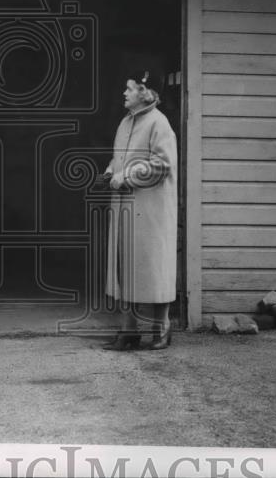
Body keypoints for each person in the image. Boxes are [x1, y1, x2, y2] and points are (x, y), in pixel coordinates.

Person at [101, 68, 178, 351]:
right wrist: (111, 169)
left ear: (145, 93)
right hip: (126, 209)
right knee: (127, 270)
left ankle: (162, 329)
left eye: (129, 88)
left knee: (154, 270)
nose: (124, 92)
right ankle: (128, 331)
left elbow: (162, 164)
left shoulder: (160, 123)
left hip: (152, 211)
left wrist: (129, 175)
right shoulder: (125, 123)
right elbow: (120, 157)